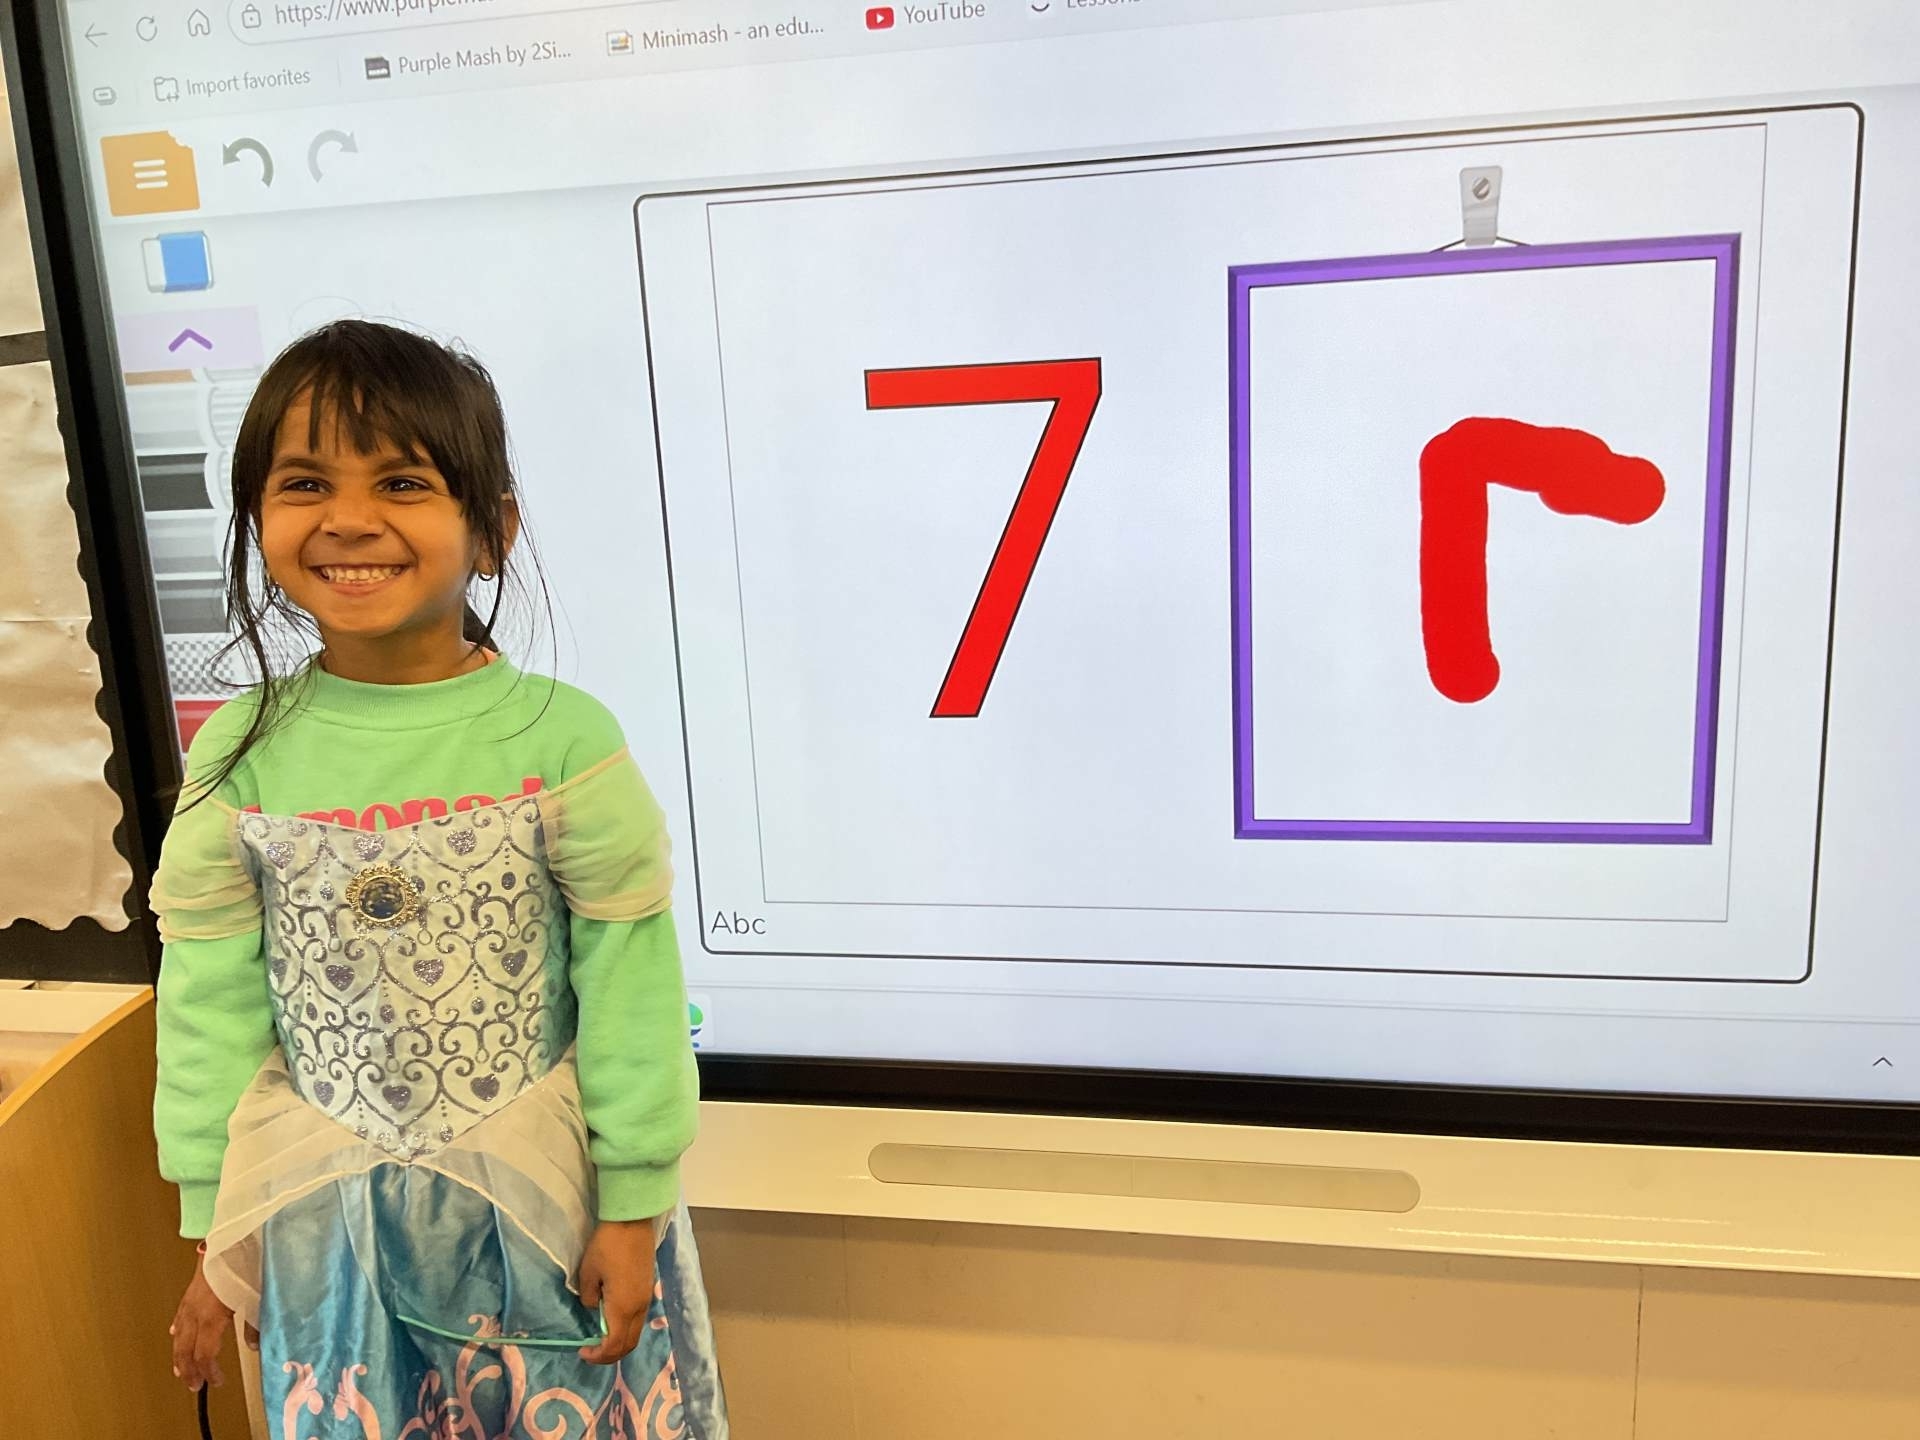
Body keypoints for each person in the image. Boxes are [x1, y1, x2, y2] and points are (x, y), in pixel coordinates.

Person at [150, 319, 727, 1438]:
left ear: (493, 531)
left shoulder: (563, 740)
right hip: (329, 1222)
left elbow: (630, 988)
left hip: (547, 1208)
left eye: (402, 482)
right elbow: (209, 1006)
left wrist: (633, 1204)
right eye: (305, 482)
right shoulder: (238, 751)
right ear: (258, 520)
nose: (348, 518)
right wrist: (217, 1230)